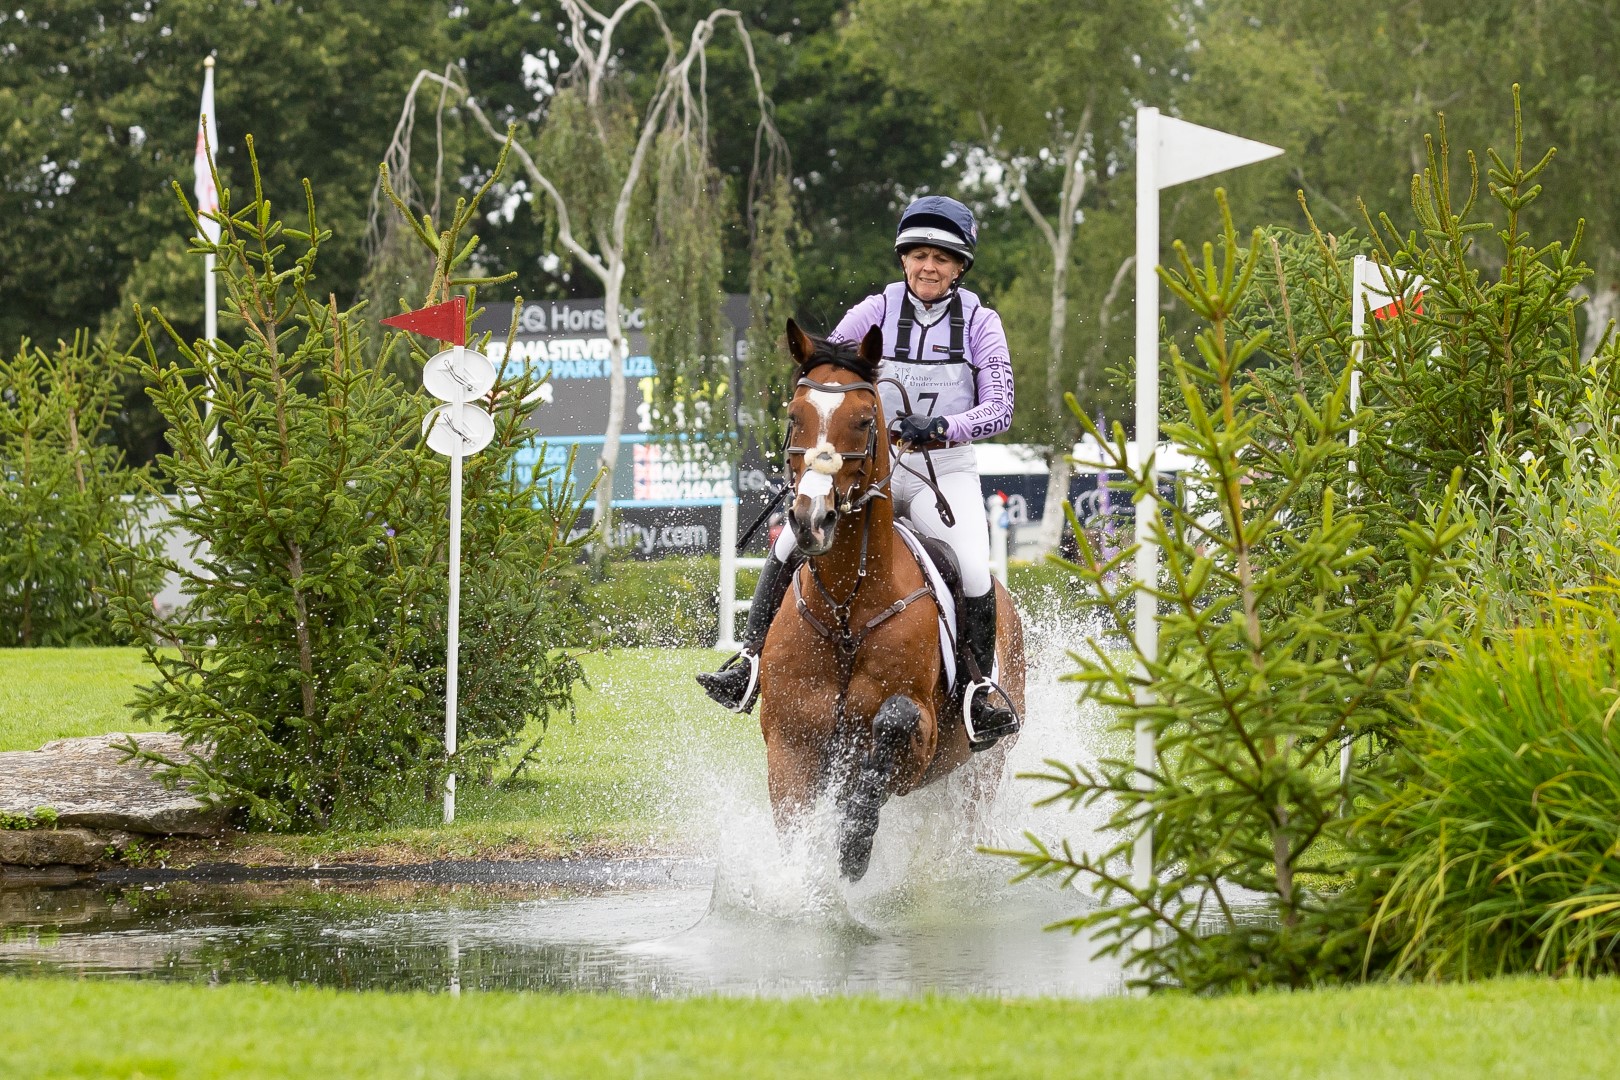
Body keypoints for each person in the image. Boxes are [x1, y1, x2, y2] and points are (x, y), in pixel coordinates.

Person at [697, 195, 1019, 751]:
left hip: (943, 470)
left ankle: (979, 690)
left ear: (960, 267)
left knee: (970, 565)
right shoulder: (875, 311)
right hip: (874, 470)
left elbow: (1001, 407)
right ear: (903, 259)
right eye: (919, 255)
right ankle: (748, 661)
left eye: (942, 258)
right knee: (789, 546)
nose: (928, 267)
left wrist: (942, 426)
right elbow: (828, 374)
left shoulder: (983, 325)